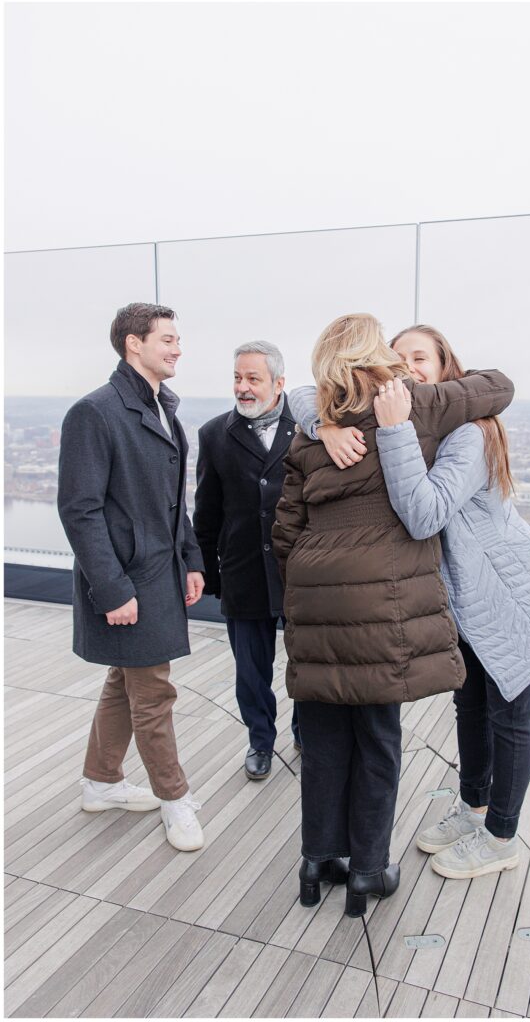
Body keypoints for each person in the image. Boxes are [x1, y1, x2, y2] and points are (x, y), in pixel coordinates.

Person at [290, 323, 530, 881]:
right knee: (470, 708)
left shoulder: (468, 433)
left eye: (421, 358)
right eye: (399, 359)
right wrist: (323, 425)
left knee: (508, 716)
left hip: (504, 597)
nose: (410, 368)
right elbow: (304, 391)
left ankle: (501, 836)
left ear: (445, 368)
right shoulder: (423, 421)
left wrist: (393, 432)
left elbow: (424, 514)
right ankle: (474, 810)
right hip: (461, 603)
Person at [57, 302, 206, 852]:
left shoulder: (164, 407)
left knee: (128, 682)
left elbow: (173, 502)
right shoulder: (95, 413)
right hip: (128, 583)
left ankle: (100, 781)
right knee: (153, 692)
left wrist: (191, 558)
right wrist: (113, 589)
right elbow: (80, 509)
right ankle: (175, 798)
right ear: (133, 345)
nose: (177, 347)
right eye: (167, 338)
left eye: (177, 338)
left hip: (160, 575)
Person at [193, 341, 300, 781]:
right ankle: (260, 741)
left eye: (253, 378)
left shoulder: (310, 429)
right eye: (237, 377)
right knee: (251, 672)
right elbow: (207, 512)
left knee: (307, 665)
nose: (242, 387)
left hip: (300, 575)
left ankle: (306, 733)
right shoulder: (214, 434)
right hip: (243, 572)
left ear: (278, 383)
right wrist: (207, 572)